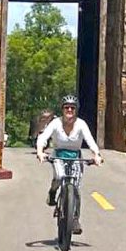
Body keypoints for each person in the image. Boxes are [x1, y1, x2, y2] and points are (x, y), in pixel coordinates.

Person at [36, 94, 103, 234]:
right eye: (67, 107)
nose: (69, 110)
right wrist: (40, 151)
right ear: (62, 109)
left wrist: (96, 155)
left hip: (75, 157)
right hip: (59, 155)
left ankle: (75, 218)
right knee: (59, 177)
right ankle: (53, 192)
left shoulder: (81, 124)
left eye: (72, 108)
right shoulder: (55, 123)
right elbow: (43, 137)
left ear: (76, 110)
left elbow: (90, 141)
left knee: (76, 187)